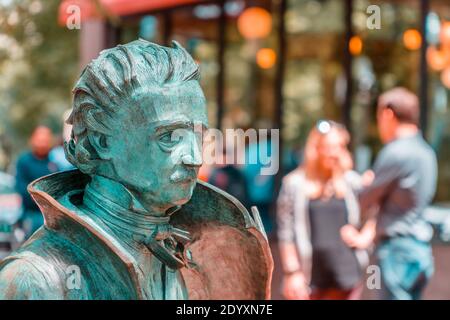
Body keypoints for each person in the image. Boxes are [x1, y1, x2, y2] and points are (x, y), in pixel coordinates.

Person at [0, 40, 272, 300]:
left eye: (198, 135)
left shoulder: (202, 251)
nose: (195, 157)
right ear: (102, 142)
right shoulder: (36, 280)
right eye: (169, 137)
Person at [350, 87, 438, 300]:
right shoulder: (427, 152)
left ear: (388, 114)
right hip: (420, 251)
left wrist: (366, 184)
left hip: (396, 252)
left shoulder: (396, 152)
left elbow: (364, 200)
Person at [277, 120, 375, 300]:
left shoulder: (352, 182)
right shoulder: (294, 184)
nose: (333, 152)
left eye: (338, 146)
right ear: (315, 149)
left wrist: (364, 237)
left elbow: (375, 212)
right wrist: (292, 272)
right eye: (328, 146)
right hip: (308, 279)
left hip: (347, 278)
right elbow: (286, 233)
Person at [15, 126, 59, 237]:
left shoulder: (54, 162)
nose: (42, 143)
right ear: (32, 140)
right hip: (31, 213)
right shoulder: (24, 161)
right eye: (40, 140)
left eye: (45, 140)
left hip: (52, 214)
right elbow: (21, 187)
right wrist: (41, 198)